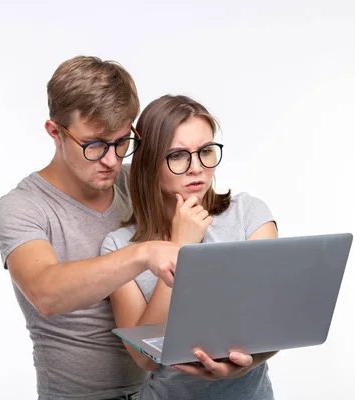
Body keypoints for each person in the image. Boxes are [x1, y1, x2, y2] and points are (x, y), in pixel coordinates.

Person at [0, 57, 252, 400]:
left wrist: (250, 357)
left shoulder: (138, 183)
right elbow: (46, 294)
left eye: (122, 142)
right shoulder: (23, 207)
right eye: (95, 144)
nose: (113, 160)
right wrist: (144, 253)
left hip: (158, 390)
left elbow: (214, 215)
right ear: (55, 132)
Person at [101, 94, 279, 399]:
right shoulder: (118, 246)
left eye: (206, 151)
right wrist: (179, 247)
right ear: (149, 163)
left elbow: (274, 327)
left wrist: (247, 364)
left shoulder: (249, 215)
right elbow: (144, 357)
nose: (196, 167)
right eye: (179, 155)